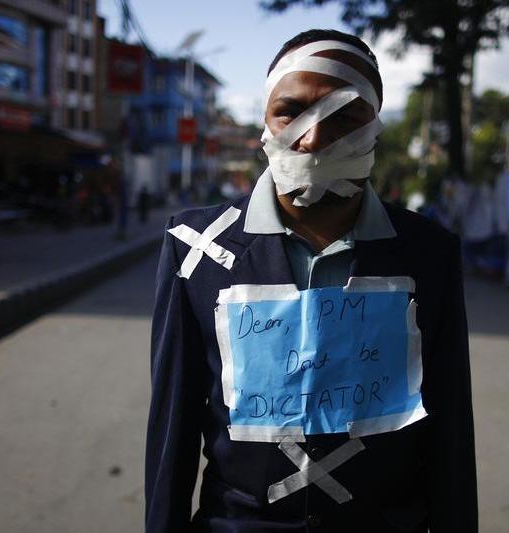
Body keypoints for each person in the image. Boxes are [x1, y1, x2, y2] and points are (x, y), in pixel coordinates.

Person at [146, 29, 477, 532]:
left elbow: (450, 431)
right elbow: (172, 431)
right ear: (265, 118)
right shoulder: (196, 249)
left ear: (376, 126)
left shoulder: (428, 253)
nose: (313, 138)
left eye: (344, 116)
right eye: (290, 111)